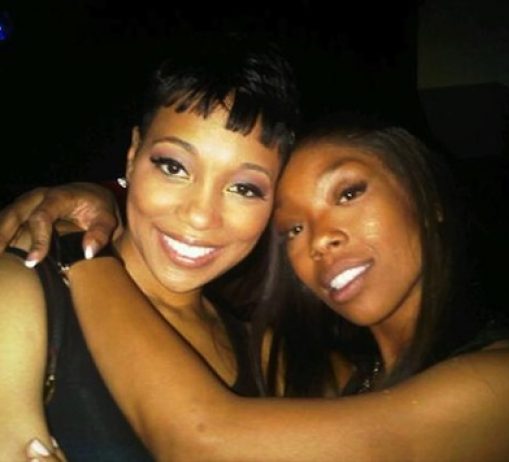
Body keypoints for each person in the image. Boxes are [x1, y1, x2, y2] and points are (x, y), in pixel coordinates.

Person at [3, 114, 509, 461]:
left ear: (429, 199)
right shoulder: (327, 378)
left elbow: (205, 441)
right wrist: (105, 197)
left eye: (348, 193)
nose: (320, 239)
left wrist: (79, 244)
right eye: (292, 229)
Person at [0, 34, 299, 461]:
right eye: (174, 167)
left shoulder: (269, 359)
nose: (200, 216)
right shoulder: (25, 288)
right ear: (132, 154)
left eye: (244, 188)